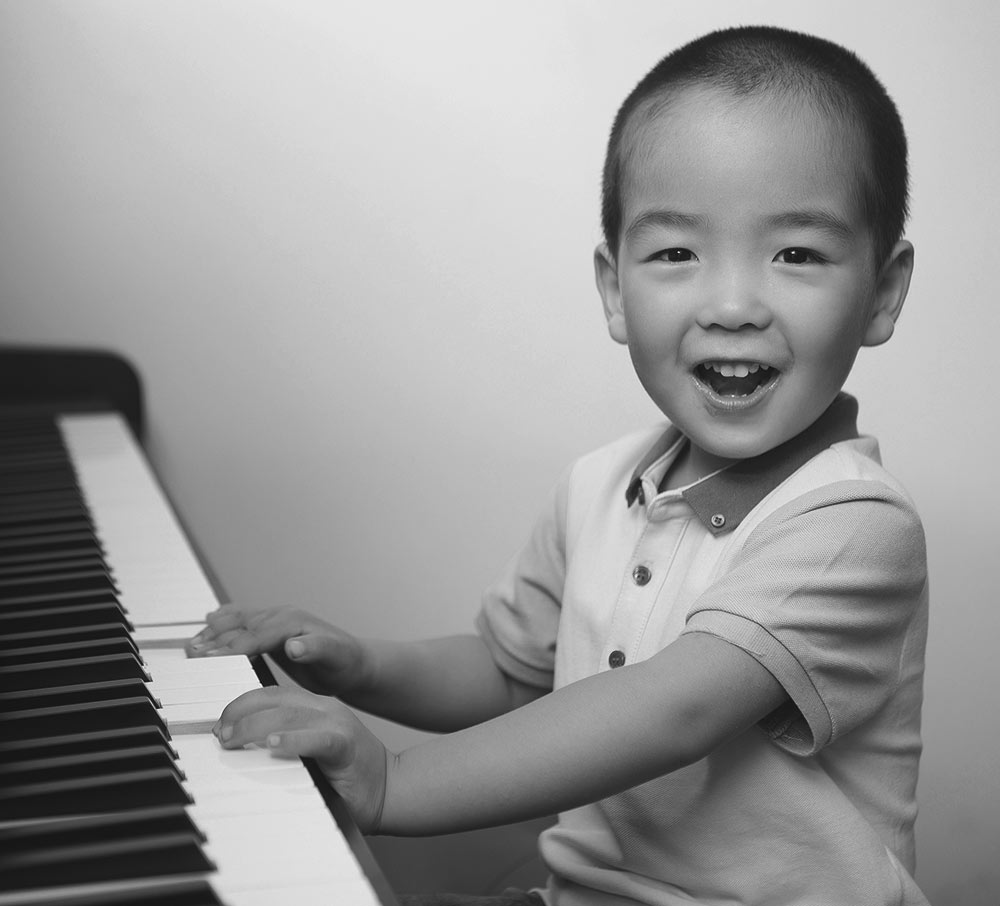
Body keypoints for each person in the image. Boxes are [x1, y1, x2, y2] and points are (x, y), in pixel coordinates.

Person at [187, 25, 929, 906]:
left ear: (882, 292)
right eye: (677, 253)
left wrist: (397, 783)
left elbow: (673, 708)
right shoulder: (600, 486)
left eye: (796, 254)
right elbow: (510, 675)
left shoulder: (853, 525)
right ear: (616, 290)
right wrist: (362, 666)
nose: (733, 304)